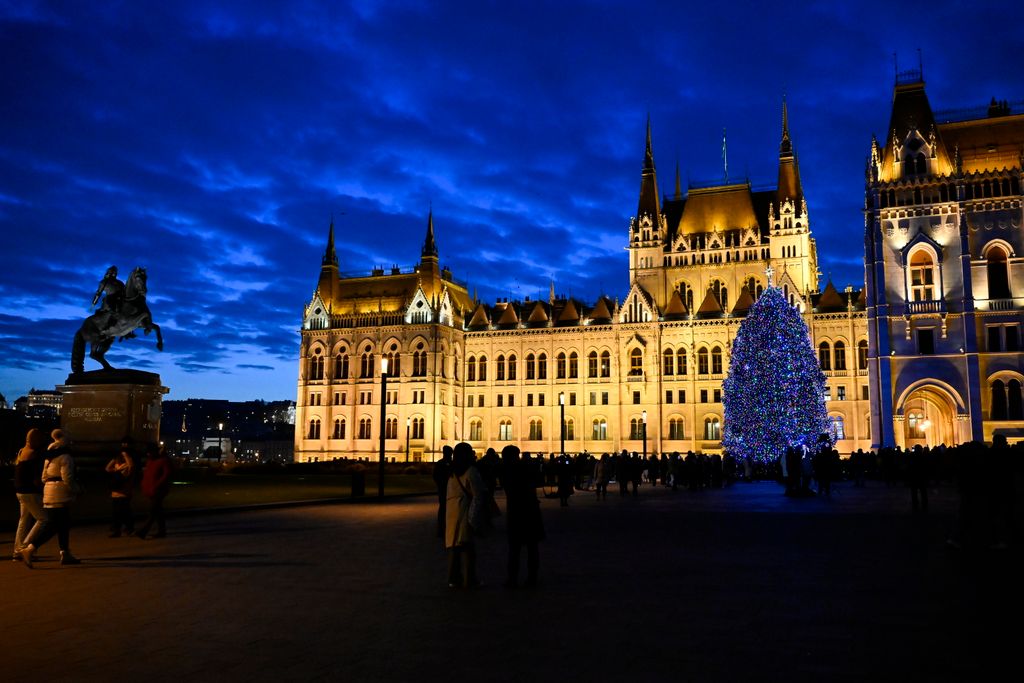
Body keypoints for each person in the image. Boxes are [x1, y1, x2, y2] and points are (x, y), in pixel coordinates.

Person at [20, 429, 80, 568]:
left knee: (63, 524)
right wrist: (77, 489)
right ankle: (29, 549)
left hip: (49, 492)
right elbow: (68, 478)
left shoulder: (49, 457)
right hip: (61, 494)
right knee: (55, 525)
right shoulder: (66, 457)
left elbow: (43, 477)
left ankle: (65, 553)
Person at [500, 445, 544, 588]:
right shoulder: (525, 468)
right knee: (531, 547)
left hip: (516, 512)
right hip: (530, 511)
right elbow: (538, 479)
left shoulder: (507, 471)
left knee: (515, 548)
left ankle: (513, 579)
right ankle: (532, 578)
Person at [445, 442, 484, 588]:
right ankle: (469, 579)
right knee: (467, 547)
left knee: (453, 547)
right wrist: (474, 519)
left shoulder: (452, 472)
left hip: (452, 513)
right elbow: (478, 495)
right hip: (464, 510)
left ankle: (453, 578)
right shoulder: (471, 471)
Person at [13, 428, 47, 562]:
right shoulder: (33, 453)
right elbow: (36, 478)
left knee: (24, 520)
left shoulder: (22, 451)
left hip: (20, 491)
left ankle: (17, 550)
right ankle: (25, 548)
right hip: (30, 492)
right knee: (44, 519)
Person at [136, 444, 172, 539]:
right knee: (158, 511)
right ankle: (162, 531)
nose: (148, 454)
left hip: (159, 490)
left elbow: (166, 474)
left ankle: (144, 530)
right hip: (152, 489)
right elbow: (148, 475)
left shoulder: (163, 460)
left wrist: (157, 484)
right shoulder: (151, 461)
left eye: (150, 453)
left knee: (153, 510)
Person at [105, 444, 135, 536]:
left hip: (124, 493)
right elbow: (107, 468)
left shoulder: (127, 465)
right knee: (116, 513)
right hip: (116, 492)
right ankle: (118, 530)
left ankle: (128, 528)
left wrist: (126, 456)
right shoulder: (117, 466)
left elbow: (131, 466)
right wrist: (114, 459)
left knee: (124, 512)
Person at [432, 446, 453, 540]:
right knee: (445, 509)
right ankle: (444, 529)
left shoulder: (440, 463)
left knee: (443, 509)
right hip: (447, 489)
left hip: (444, 489)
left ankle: (442, 529)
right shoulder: (449, 464)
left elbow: (435, 476)